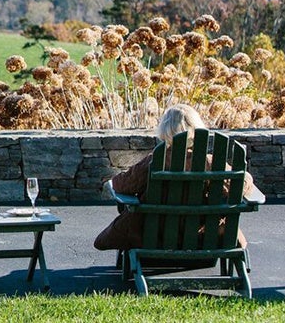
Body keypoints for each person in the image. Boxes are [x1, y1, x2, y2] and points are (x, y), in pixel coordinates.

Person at [94, 103, 259, 251]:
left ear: (165, 130)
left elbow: (122, 186)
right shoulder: (211, 163)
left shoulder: (155, 161)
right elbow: (241, 183)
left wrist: (112, 182)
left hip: (154, 235)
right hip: (202, 235)